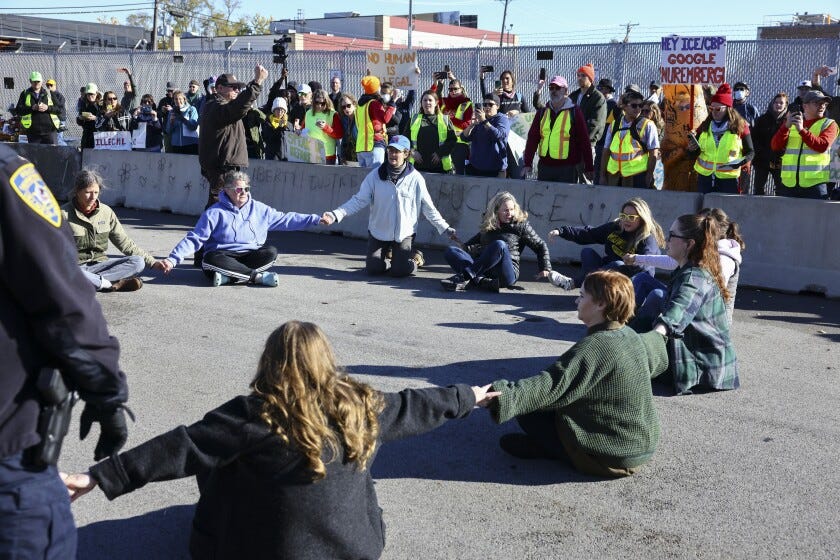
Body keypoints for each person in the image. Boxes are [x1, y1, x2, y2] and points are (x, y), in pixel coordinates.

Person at [63, 320, 496, 558]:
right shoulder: (362, 404)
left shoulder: (255, 414)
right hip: (358, 548)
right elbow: (416, 404)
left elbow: (182, 447)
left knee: (214, 460)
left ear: (271, 361)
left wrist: (98, 478)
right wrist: (467, 397)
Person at [0, 145, 130, 558]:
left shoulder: (106, 214)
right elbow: (63, 302)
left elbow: (126, 246)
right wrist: (107, 394)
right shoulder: (8, 174)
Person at [479, 270, 666, 477]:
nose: (577, 300)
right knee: (563, 397)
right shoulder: (630, 335)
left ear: (601, 304)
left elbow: (550, 385)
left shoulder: (596, 346)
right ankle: (558, 446)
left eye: (583, 295)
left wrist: (495, 396)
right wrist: (663, 331)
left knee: (530, 411)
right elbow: (655, 348)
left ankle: (561, 452)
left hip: (612, 455)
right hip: (641, 445)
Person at [321, 135, 458, 277]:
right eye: (390, 150)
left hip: (404, 233)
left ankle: (415, 259)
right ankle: (390, 256)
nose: (393, 154)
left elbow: (428, 208)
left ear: (406, 154)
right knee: (374, 269)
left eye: (397, 151)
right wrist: (335, 215)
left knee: (399, 271)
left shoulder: (416, 179)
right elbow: (358, 200)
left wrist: (445, 228)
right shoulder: (374, 176)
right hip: (379, 231)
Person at [160, 171, 321, 287]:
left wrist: (316, 219)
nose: (243, 192)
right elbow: (195, 238)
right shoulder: (214, 213)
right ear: (227, 191)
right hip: (221, 257)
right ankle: (256, 277)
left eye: (246, 189)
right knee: (209, 259)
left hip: (248, 256)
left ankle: (229, 278)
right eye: (238, 189)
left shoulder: (259, 209)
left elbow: (287, 219)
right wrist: (173, 260)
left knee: (271, 252)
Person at [650, 214, 740, 395]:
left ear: (689, 244)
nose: (666, 240)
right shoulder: (685, 269)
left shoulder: (695, 277)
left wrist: (646, 343)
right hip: (697, 356)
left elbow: (674, 317)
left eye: (672, 235)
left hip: (706, 370)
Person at [627, 207, 745, 329]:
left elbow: (707, 295)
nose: (667, 239)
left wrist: (663, 327)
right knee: (643, 279)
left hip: (708, 318)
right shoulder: (698, 248)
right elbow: (671, 262)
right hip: (688, 300)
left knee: (657, 296)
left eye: (702, 224)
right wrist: (636, 258)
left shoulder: (724, 258)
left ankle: (635, 335)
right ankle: (624, 321)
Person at [63, 169, 163, 292]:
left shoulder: (106, 212)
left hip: (101, 266)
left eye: (96, 192)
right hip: (76, 268)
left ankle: (97, 283)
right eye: (88, 192)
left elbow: (125, 243)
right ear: (77, 191)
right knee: (64, 271)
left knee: (138, 262)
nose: (93, 197)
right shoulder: (62, 214)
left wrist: (152, 262)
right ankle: (112, 283)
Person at [441, 191, 552, 292]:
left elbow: (540, 245)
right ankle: (480, 281)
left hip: (506, 274)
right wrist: (460, 244)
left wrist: (545, 268)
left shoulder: (521, 225)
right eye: (505, 210)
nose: (510, 213)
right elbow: (468, 248)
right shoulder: (489, 225)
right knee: (451, 251)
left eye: (512, 209)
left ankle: (465, 277)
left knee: (500, 245)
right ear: (496, 211)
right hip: (485, 270)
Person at [548, 196, 665, 290]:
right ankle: (590, 289)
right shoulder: (616, 228)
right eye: (623, 216)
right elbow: (589, 233)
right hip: (609, 274)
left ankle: (576, 284)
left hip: (632, 283)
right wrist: (561, 231)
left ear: (642, 218)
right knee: (588, 253)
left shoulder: (647, 239)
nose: (626, 220)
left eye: (631, 217)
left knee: (618, 265)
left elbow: (645, 266)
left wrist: (633, 260)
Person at [198, 65, 268, 206]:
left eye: (238, 88)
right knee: (218, 202)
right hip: (221, 165)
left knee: (227, 201)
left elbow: (238, 105)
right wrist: (257, 83)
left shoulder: (221, 105)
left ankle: (220, 226)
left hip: (226, 163)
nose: (237, 90)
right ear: (219, 88)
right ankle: (208, 227)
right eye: (233, 87)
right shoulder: (215, 105)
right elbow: (237, 108)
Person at [522, 75, 593, 183]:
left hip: (567, 169)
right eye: (551, 88)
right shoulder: (542, 112)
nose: (554, 91)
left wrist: (589, 167)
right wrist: (528, 163)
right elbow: (533, 138)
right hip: (545, 167)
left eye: (558, 88)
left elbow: (584, 140)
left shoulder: (574, 112)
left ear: (565, 91)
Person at [770, 90, 837, 200]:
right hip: (789, 184)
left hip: (815, 184)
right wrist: (785, 126)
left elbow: (822, 146)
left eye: (824, 104)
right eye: (817, 103)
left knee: (815, 217)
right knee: (786, 217)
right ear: (805, 106)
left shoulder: (829, 124)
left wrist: (801, 130)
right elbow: (775, 146)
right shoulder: (791, 122)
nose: (822, 106)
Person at [688, 83, 754, 194]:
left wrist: (739, 163)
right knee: (704, 210)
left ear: (728, 109)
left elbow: (750, 152)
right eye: (711, 108)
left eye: (718, 109)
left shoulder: (741, 127)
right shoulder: (704, 126)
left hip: (728, 180)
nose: (714, 112)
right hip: (705, 178)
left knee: (726, 210)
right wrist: (691, 149)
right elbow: (692, 155)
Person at [600, 89, 661, 188]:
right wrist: (602, 175)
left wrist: (649, 176)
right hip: (614, 176)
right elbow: (606, 151)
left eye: (640, 105)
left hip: (637, 176)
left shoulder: (648, 125)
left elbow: (653, 152)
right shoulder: (614, 125)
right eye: (634, 105)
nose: (638, 109)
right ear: (623, 107)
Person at [461, 93, 511, 177]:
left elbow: (499, 136)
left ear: (497, 106)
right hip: (476, 168)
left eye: (490, 104)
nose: (487, 107)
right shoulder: (479, 120)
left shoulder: (501, 119)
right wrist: (471, 125)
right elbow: (464, 138)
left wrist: (484, 121)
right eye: (485, 104)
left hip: (495, 169)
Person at [408, 90, 456, 174]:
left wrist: (440, 153)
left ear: (436, 103)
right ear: (421, 103)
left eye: (430, 100)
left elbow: (452, 140)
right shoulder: (414, 119)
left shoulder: (445, 120)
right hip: (417, 168)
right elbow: (405, 139)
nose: (427, 102)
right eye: (425, 100)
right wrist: (412, 151)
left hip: (440, 168)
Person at [434, 73, 473, 174]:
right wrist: (438, 83)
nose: (453, 91)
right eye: (450, 89)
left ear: (461, 89)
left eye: (455, 89)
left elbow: (466, 124)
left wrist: (450, 118)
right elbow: (435, 97)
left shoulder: (467, 103)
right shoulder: (445, 103)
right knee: (444, 171)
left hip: (460, 143)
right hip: (444, 142)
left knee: (458, 173)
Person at [569, 64, 607, 166]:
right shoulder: (574, 96)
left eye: (583, 75)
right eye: (578, 75)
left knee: (585, 179)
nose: (580, 78)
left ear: (590, 78)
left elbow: (595, 124)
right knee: (570, 178)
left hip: (586, 145)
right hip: (572, 145)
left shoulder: (598, 98)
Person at [751, 92, 789, 196]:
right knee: (758, 187)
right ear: (772, 104)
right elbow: (754, 138)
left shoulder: (787, 121)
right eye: (776, 102)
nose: (778, 105)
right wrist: (760, 152)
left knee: (780, 187)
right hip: (762, 159)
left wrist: (780, 154)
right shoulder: (762, 119)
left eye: (781, 103)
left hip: (778, 160)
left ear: (786, 105)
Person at [355, 75, 396, 168]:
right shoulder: (373, 103)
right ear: (376, 88)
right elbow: (385, 119)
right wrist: (392, 103)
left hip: (361, 147)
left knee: (365, 180)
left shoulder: (360, 104)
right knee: (375, 177)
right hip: (373, 144)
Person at [16, 71, 60, 144]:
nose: (36, 83)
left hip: (50, 132)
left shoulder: (49, 93)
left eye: (38, 81)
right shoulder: (25, 94)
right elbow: (18, 110)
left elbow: (59, 110)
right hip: (33, 133)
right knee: (34, 154)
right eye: (34, 81)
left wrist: (47, 108)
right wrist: (32, 108)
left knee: (52, 154)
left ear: (42, 81)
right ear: (30, 81)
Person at [302, 89, 343, 164]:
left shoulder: (333, 114)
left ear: (327, 102)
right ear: (313, 102)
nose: (319, 105)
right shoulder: (308, 113)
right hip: (310, 153)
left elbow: (339, 134)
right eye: (317, 103)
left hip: (327, 155)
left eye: (322, 103)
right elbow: (303, 128)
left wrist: (325, 128)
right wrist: (299, 131)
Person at [163, 89, 200, 155]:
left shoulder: (191, 109)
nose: (178, 101)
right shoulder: (172, 112)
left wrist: (182, 119)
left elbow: (193, 126)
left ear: (184, 99)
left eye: (180, 99)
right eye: (176, 99)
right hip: (176, 145)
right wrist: (171, 122)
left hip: (191, 144)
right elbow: (168, 131)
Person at [262, 96, 291, 161]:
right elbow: (269, 137)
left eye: (282, 109)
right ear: (273, 110)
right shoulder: (267, 122)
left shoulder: (289, 124)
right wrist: (279, 128)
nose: (280, 112)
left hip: (286, 157)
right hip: (272, 157)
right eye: (277, 109)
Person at [76, 83, 101, 149]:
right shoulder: (83, 103)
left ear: (96, 93)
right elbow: (79, 120)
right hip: (87, 134)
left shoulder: (103, 103)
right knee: (85, 154)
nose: (90, 96)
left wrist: (95, 118)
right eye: (88, 94)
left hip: (99, 135)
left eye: (92, 94)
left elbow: (108, 118)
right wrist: (80, 118)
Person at [337, 93, 359, 165]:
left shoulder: (361, 117)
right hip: (349, 155)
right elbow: (344, 139)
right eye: (343, 107)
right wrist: (342, 155)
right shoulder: (344, 120)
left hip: (361, 154)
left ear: (354, 104)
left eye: (348, 105)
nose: (346, 109)